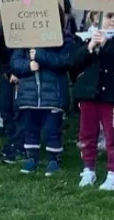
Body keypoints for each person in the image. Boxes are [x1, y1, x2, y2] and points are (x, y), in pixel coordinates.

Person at [70, 11, 114, 191]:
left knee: (112, 136)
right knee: (87, 135)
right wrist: (90, 47)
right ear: (94, 18)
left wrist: (107, 45)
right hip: (88, 94)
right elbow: (73, 61)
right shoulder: (82, 38)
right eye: (109, 16)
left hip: (112, 94)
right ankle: (88, 169)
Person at [12, 12, 74, 176]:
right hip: (29, 96)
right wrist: (28, 65)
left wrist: (40, 55)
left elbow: (64, 61)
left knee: (52, 129)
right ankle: (31, 157)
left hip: (53, 95)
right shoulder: (24, 41)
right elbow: (15, 62)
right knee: (30, 128)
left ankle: (54, 159)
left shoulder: (64, 41)